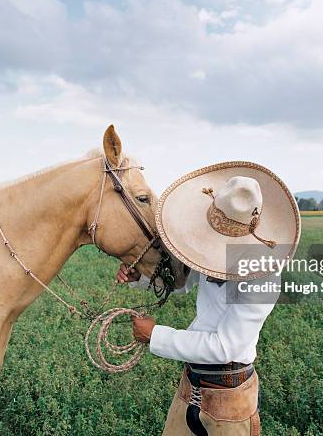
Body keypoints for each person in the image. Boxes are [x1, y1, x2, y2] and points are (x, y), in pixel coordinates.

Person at [117, 162, 301, 436]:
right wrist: (141, 280)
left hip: (230, 403)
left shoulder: (262, 275)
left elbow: (223, 347)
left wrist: (155, 335)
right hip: (191, 387)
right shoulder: (213, 255)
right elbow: (183, 284)